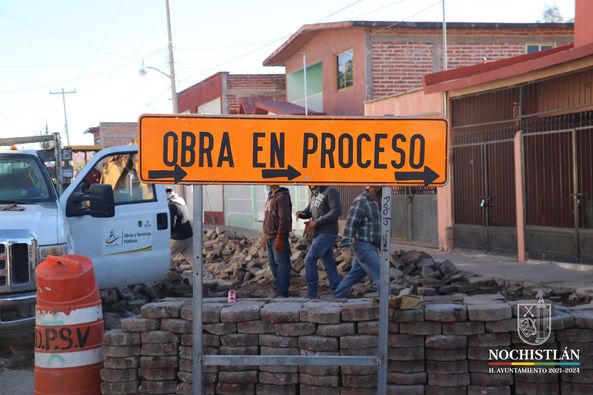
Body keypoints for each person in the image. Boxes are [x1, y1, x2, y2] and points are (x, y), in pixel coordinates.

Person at [333, 185, 382, 299]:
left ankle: (336, 298)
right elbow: (351, 225)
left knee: (355, 274)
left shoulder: (377, 202)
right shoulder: (361, 201)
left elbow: (375, 225)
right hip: (363, 246)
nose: (380, 188)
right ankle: (387, 307)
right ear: (369, 187)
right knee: (382, 276)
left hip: (371, 245)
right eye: (377, 186)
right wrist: (346, 247)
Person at [296, 185, 342, 298]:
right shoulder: (315, 194)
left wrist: (317, 222)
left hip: (327, 232)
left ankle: (312, 293)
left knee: (309, 259)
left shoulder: (331, 191)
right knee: (329, 264)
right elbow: (308, 212)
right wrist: (300, 213)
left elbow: (336, 211)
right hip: (318, 233)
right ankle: (338, 292)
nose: (311, 183)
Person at [263, 185, 292, 297]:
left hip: (278, 235)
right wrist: (264, 236)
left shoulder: (282, 197)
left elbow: (284, 219)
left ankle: (282, 290)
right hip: (269, 235)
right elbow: (267, 218)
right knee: (272, 263)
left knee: (282, 263)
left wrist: (280, 237)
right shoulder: (271, 196)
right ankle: (279, 286)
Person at [167, 187, 194, 265]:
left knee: (165, 257)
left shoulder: (172, 206)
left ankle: (165, 275)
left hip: (178, 237)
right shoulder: (181, 201)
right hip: (188, 235)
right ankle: (205, 275)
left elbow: (170, 224)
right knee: (194, 260)